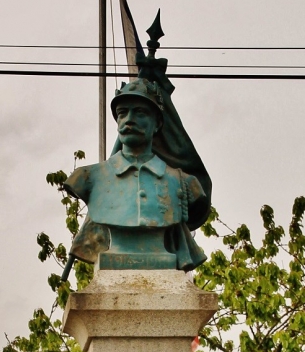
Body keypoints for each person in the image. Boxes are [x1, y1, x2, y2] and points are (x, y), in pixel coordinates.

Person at [64, 76, 208, 272]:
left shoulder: (183, 182)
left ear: (157, 124)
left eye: (140, 113)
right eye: (123, 113)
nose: (129, 119)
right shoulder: (88, 177)